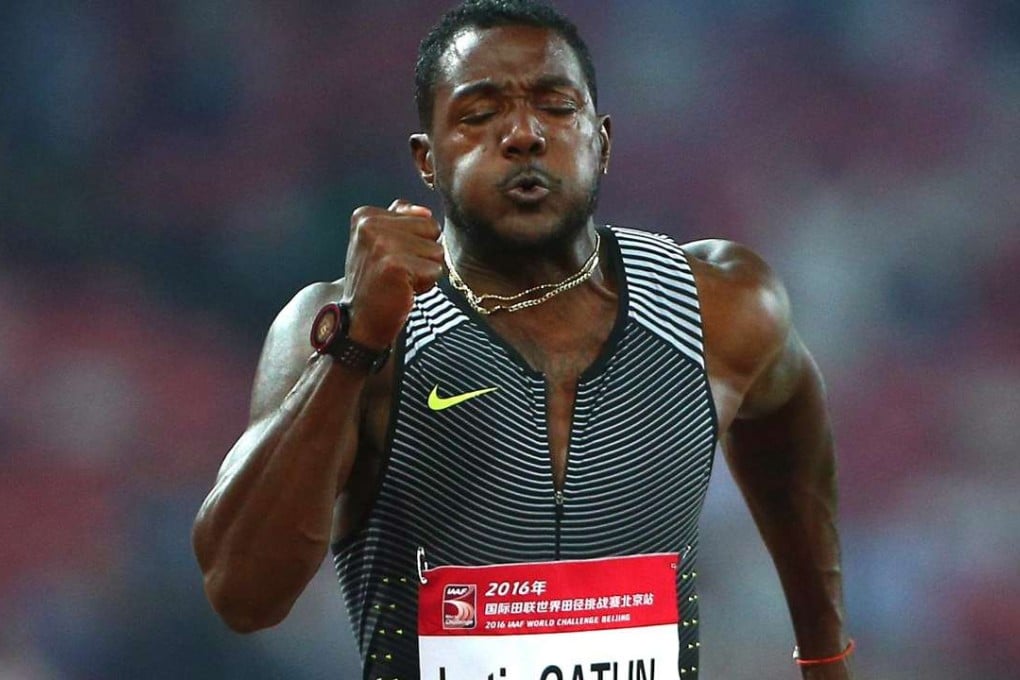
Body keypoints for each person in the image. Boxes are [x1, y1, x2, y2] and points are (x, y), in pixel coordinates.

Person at [192, 1, 854, 678]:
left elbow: (790, 423)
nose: (524, 134)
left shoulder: (718, 306)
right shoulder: (341, 324)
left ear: (602, 140)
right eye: (479, 114)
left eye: (557, 107)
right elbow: (243, 595)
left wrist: (825, 654)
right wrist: (355, 346)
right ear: (426, 159)